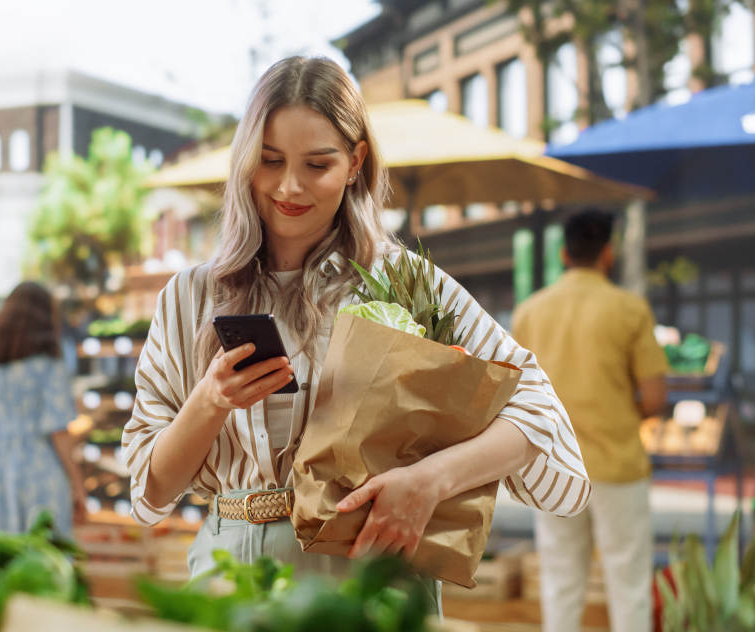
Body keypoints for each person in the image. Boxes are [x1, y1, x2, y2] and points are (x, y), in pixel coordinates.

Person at [123, 56, 590, 602]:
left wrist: (429, 482)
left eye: (317, 165)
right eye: (269, 161)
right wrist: (210, 399)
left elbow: (539, 411)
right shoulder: (190, 298)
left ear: (355, 162)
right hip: (233, 575)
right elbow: (149, 494)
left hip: (374, 572)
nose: (289, 187)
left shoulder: (406, 283)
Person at [512, 209, 668, 632]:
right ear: (608, 253)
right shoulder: (629, 309)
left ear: (563, 253)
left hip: (552, 467)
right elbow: (656, 397)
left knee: (561, 584)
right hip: (619, 464)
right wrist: (622, 414)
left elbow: (516, 391)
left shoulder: (529, 312)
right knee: (630, 586)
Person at [0, 282, 84, 539]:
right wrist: (78, 485)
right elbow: (58, 430)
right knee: (43, 559)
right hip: (40, 470)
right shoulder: (49, 364)